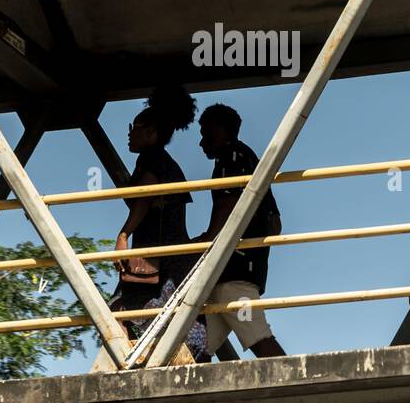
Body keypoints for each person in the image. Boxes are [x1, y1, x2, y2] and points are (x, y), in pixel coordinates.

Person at [111, 85, 210, 361]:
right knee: (173, 317)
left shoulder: (152, 160)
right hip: (168, 255)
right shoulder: (164, 161)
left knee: (120, 311)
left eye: (135, 126)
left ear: (151, 132)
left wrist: (123, 235)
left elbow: (145, 196)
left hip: (158, 256)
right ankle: (158, 361)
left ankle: (132, 364)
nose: (130, 132)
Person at [193, 103, 286, 359]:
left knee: (260, 341)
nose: (202, 142)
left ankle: (303, 390)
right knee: (194, 349)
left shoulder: (230, 157)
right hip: (240, 269)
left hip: (233, 272)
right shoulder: (250, 159)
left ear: (221, 131)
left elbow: (228, 202)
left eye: (206, 133)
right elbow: (276, 223)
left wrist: (209, 239)